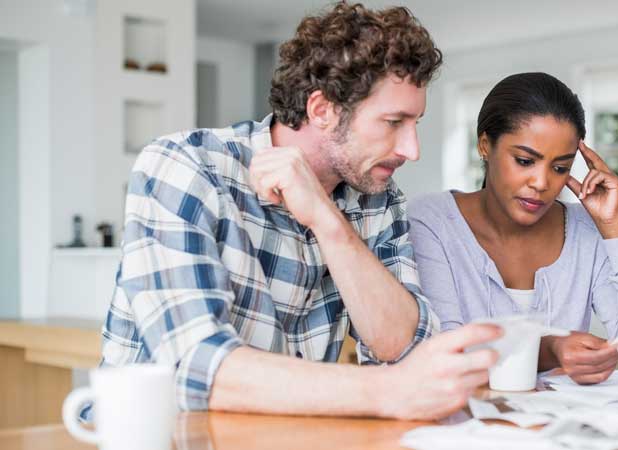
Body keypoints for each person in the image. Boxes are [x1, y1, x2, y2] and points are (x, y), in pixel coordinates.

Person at [98, 2, 500, 421]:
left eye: (414, 123)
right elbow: (196, 366)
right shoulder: (186, 166)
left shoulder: (377, 197)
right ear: (322, 109)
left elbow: (403, 348)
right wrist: (386, 392)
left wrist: (327, 221)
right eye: (393, 122)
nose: (411, 150)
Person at [408, 72, 618, 385]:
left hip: (561, 427)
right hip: (462, 426)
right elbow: (442, 354)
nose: (542, 183)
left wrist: (613, 226)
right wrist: (549, 349)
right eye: (524, 161)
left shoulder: (586, 231)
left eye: (560, 167)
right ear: (484, 145)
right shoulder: (432, 221)